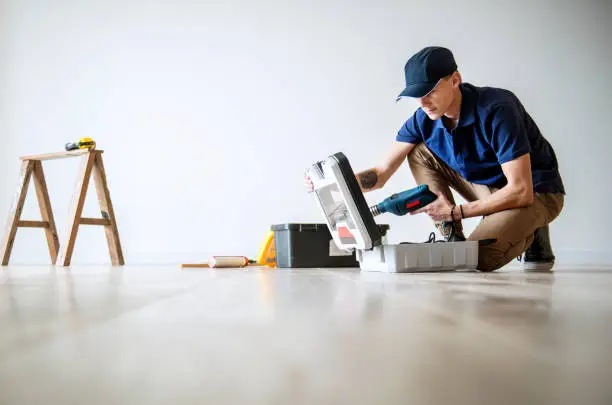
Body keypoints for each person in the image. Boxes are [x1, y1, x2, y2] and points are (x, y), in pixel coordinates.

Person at [305, 46, 565, 272]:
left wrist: (455, 212)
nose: (423, 102)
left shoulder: (498, 109)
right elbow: (381, 173)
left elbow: (520, 190)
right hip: (491, 190)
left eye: (429, 91)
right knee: (419, 152)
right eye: (417, 95)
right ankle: (453, 238)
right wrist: (338, 183)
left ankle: (533, 227)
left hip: (535, 191)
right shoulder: (423, 119)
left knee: (478, 259)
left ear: (455, 80)